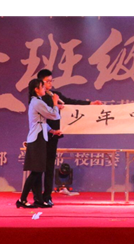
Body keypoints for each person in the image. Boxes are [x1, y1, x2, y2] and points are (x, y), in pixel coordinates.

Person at [38, 69, 101, 206]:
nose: (50, 84)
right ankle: (36, 197)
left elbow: (71, 103)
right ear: (40, 82)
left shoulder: (56, 95)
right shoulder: (38, 98)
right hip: (40, 135)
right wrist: (55, 105)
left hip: (54, 136)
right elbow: (43, 114)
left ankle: (47, 196)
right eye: (47, 81)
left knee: (49, 167)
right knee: (37, 169)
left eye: (51, 81)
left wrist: (90, 104)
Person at [16, 78, 64, 208]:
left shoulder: (38, 102)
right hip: (37, 139)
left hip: (40, 137)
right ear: (36, 89)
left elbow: (42, 122)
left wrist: (52, 131)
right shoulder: (37, 102)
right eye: (43, 87)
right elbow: (53, 115)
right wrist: (55, 103)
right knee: (37, 171)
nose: (45, 89)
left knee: (38, 170)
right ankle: (22, 199)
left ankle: (37, 199)